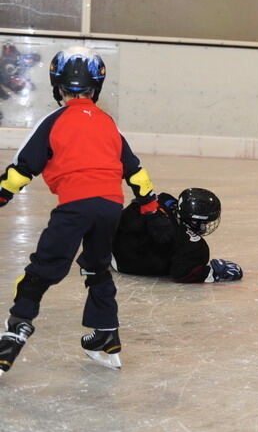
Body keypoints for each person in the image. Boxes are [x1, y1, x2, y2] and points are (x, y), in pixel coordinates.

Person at [0, 46, 161, 376]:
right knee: (97, 266)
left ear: (57, 85)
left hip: (74, 206)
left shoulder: (54, 121)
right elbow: (135, 171)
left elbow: (22, 168)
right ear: (96, 87)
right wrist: (149, 205)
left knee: (44, 269)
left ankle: (15, 330)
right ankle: (105, 335)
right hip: (110, 206)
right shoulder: (107, 123)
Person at [112, 188, 243, 284]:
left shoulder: (162, 200)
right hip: (124, 264)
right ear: (193, 220)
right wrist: (213, 273)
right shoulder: (195, 247)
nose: (205, 226)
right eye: (204, 222)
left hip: (108, 244)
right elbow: (183, 274)